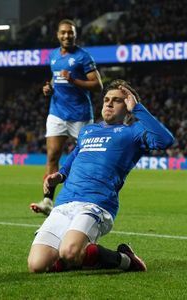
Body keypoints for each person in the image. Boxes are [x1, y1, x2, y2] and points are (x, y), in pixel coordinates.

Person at [27, 80, 175, 273]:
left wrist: (137, 108)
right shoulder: (88, 130)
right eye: (106, 99)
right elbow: (75, 156)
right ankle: (75, 257)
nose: (109, 104)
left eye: (117, 100)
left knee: (70, 251)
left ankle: (126, 260)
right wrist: (60, 175)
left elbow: (166, 140)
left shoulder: (134, 132)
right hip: (64, 202)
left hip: (96, 203)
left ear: (128, 105)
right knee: (36, 265)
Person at [30, 19, 103, 216]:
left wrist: (74, 80)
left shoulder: (83, 57)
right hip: (57, 113)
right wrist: (49, 88)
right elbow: (55, 79)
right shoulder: (53, 55)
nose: (66, 36)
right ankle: (47, 201)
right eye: (63, 33)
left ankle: (87, 199)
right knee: (52, 156)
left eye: (70, 33)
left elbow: (98, 85)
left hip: (80, 115)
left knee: (85, 158)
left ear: (75, 35)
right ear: (57, 34)